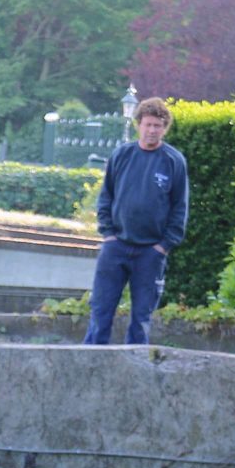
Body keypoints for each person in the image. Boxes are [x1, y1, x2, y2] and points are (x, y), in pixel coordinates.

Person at [83, 98, 189, 346]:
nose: (152, 130)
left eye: (158, 126)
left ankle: (136, 370)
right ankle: (91, 364)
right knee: (100, 311)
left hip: (150, 253)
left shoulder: (174, 161)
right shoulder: (122, 155)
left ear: (165, 128)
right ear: (138, 124)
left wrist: (163, 246)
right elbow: (106, 196)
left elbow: (179, 208)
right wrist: (108, 233)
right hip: (116, 246)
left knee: (141, 318)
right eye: (148, 124)